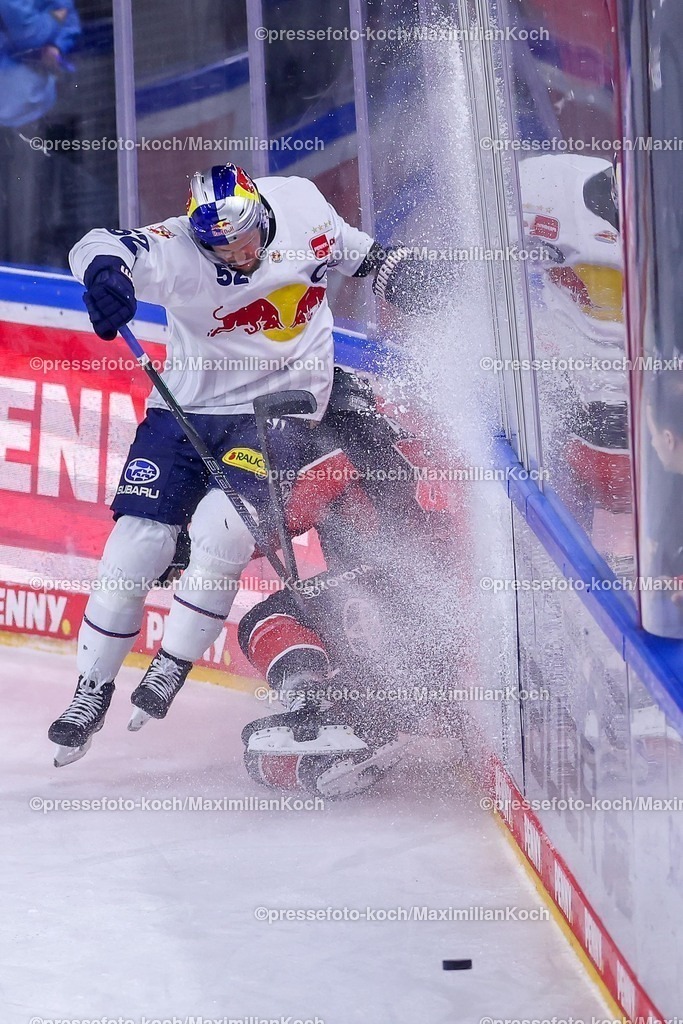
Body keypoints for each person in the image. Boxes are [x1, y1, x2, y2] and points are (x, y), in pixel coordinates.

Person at [47, 162, 431, 766]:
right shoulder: (179, 247)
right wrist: (102, 275)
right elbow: (95, 244)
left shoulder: (303, 208)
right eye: (221, 246)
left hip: (281, 406)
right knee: (135, 545)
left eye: (247, 238)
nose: (239, 255)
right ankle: (90, 691)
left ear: (260, 210)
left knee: (221, 528)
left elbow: (364, 255)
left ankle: (172, 665)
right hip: (188, 407)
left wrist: (400, 271)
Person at [0, 0, 81, 263]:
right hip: (9, 114)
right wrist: (52, 20)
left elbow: (70, 21)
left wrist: (55, 46)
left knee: (50, 196)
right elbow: (26, 32)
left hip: (46, 110)